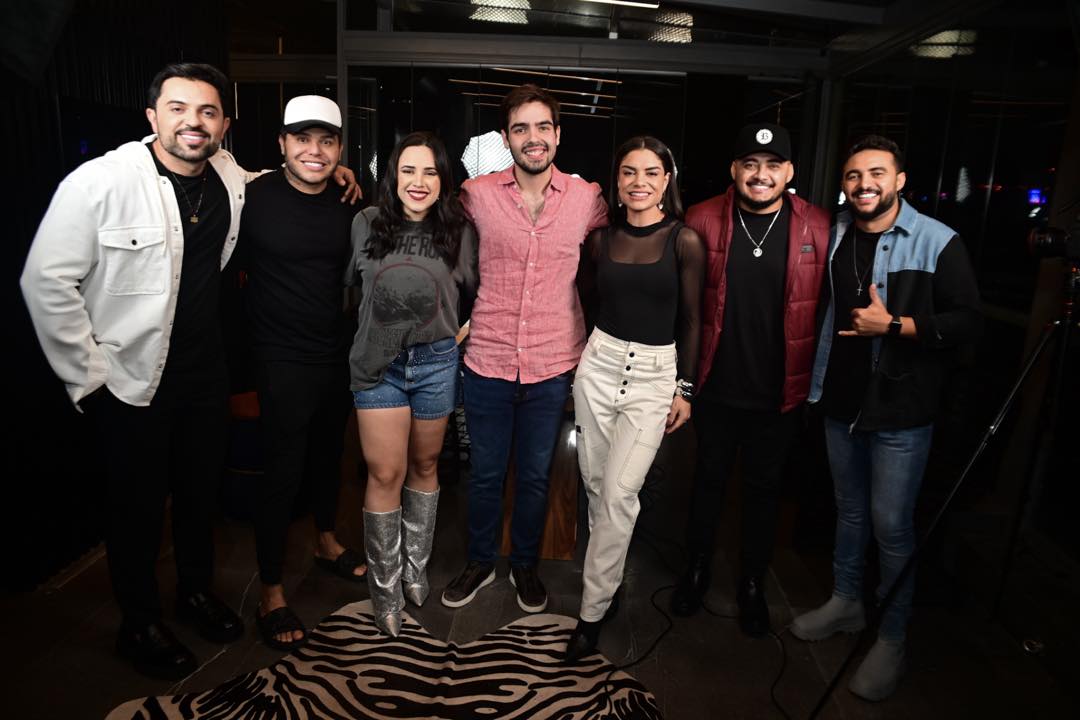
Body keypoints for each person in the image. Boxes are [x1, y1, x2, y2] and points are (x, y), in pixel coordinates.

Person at [20, 62, 357, 679]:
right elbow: (45, 281)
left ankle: (195, 594)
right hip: (131, 377)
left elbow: (278, 178)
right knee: (138, 508)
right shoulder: (101, 182)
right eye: (178, 109)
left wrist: (334, 169)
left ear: (224, 124)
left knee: (200, 497)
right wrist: (89, 377)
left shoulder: (229, 177)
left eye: (207, 111)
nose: (193, 123)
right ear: (153, 116)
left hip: (206, 372)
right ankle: (139, 623)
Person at [790, 135, 981, 701]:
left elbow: (968, 321)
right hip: (839, 400)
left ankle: (892, 638)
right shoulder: (835, 234)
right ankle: (847, 602)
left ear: (899, 180)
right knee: (848, 512)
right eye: (853, 175)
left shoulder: (937, 240)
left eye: (876, 173)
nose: (863, 184)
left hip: (900, 411)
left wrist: (895, 325)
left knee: (891, 527)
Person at [440, 84, 608, 614]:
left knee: (536, 476)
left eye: (541, 127)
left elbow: (631, 235)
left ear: (557, 134)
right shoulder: (477, 194)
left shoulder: (586, 199)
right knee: (485, 474)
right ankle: (480, 561)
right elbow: (425, 214)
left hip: (553, 362)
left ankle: (525, 565)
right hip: (487, 358)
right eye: (520, 129)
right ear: (506, 137)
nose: (532, 138)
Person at [669, 123, 830, 637]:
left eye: (773, 165)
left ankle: (753, 584)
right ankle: (696, 571)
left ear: (789, 172)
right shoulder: (701, 218)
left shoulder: (817, 226)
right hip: (716, 387)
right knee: (707, 482)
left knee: (764, 490)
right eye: (751, 164)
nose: (761, 175)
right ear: (734, 170)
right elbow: (682, 307)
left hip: (778, 392)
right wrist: (682, 382)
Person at [563, 136, 704, 663]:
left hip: (652, 376)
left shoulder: (684, 241)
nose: (638, 182)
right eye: (628, 172)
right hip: (598, 367)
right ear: (617, 181)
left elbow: (692, 320)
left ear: (666, 180)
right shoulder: (600, 241)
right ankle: (609, 579)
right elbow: (584, 302)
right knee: (596, 486)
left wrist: (684, 388)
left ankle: (591, 611)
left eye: (650, 172)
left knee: (620, 493)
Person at [239, 95, 366, 651]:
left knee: (328, 455)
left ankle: (326, 540)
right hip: (279, 356)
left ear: (340, 149)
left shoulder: (348, 198)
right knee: (282, 470)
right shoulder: (252, 196)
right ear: (282, 143)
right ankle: (270, 591)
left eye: (327, 141)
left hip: (335, 352)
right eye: (303, 139)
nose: (314, 151)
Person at [350, 132, 478, 636]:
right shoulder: (365, 222)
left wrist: (454, 337)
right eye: (408, 170)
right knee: (386, 472)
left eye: (430, 171)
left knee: (425, 465)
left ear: (444, 179)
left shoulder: (459, 231)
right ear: (393, 176)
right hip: (378, 365)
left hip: (435, 364)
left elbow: (476, 296)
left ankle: (415, 570)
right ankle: (385, 591)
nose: (418, 181)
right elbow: (351, 292)